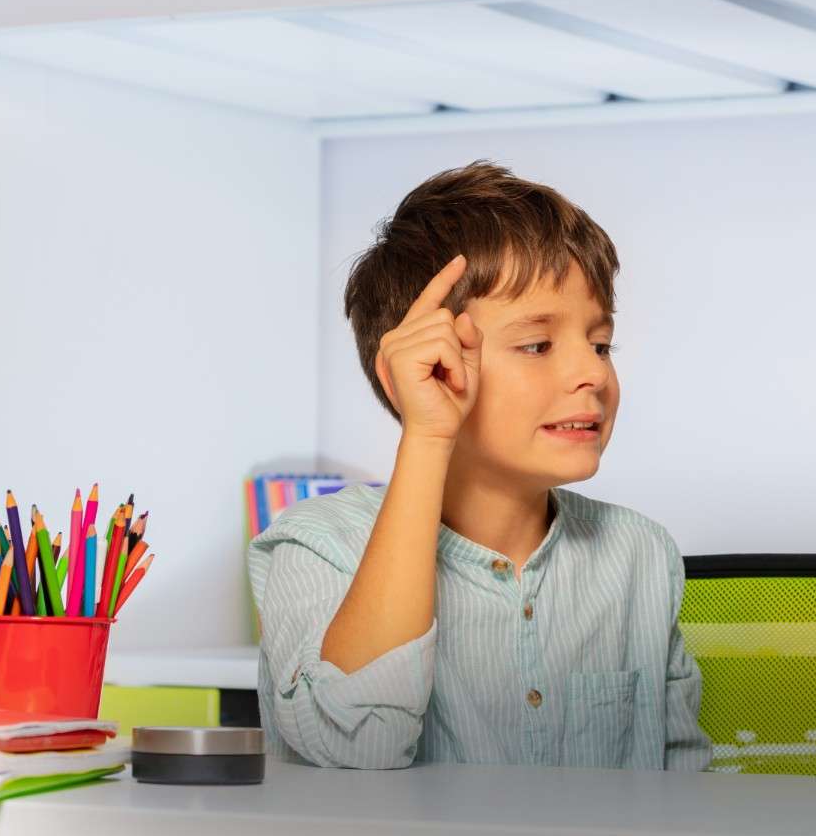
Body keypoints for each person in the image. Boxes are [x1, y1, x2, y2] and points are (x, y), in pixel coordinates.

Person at [248, 161, 710, 771]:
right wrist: (427, 434)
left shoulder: (639, 553)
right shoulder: (317, 544)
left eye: (601, 344)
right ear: (426, 367)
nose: (594, 373)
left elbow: (682, 786)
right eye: (537, 345)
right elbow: (358, 746)